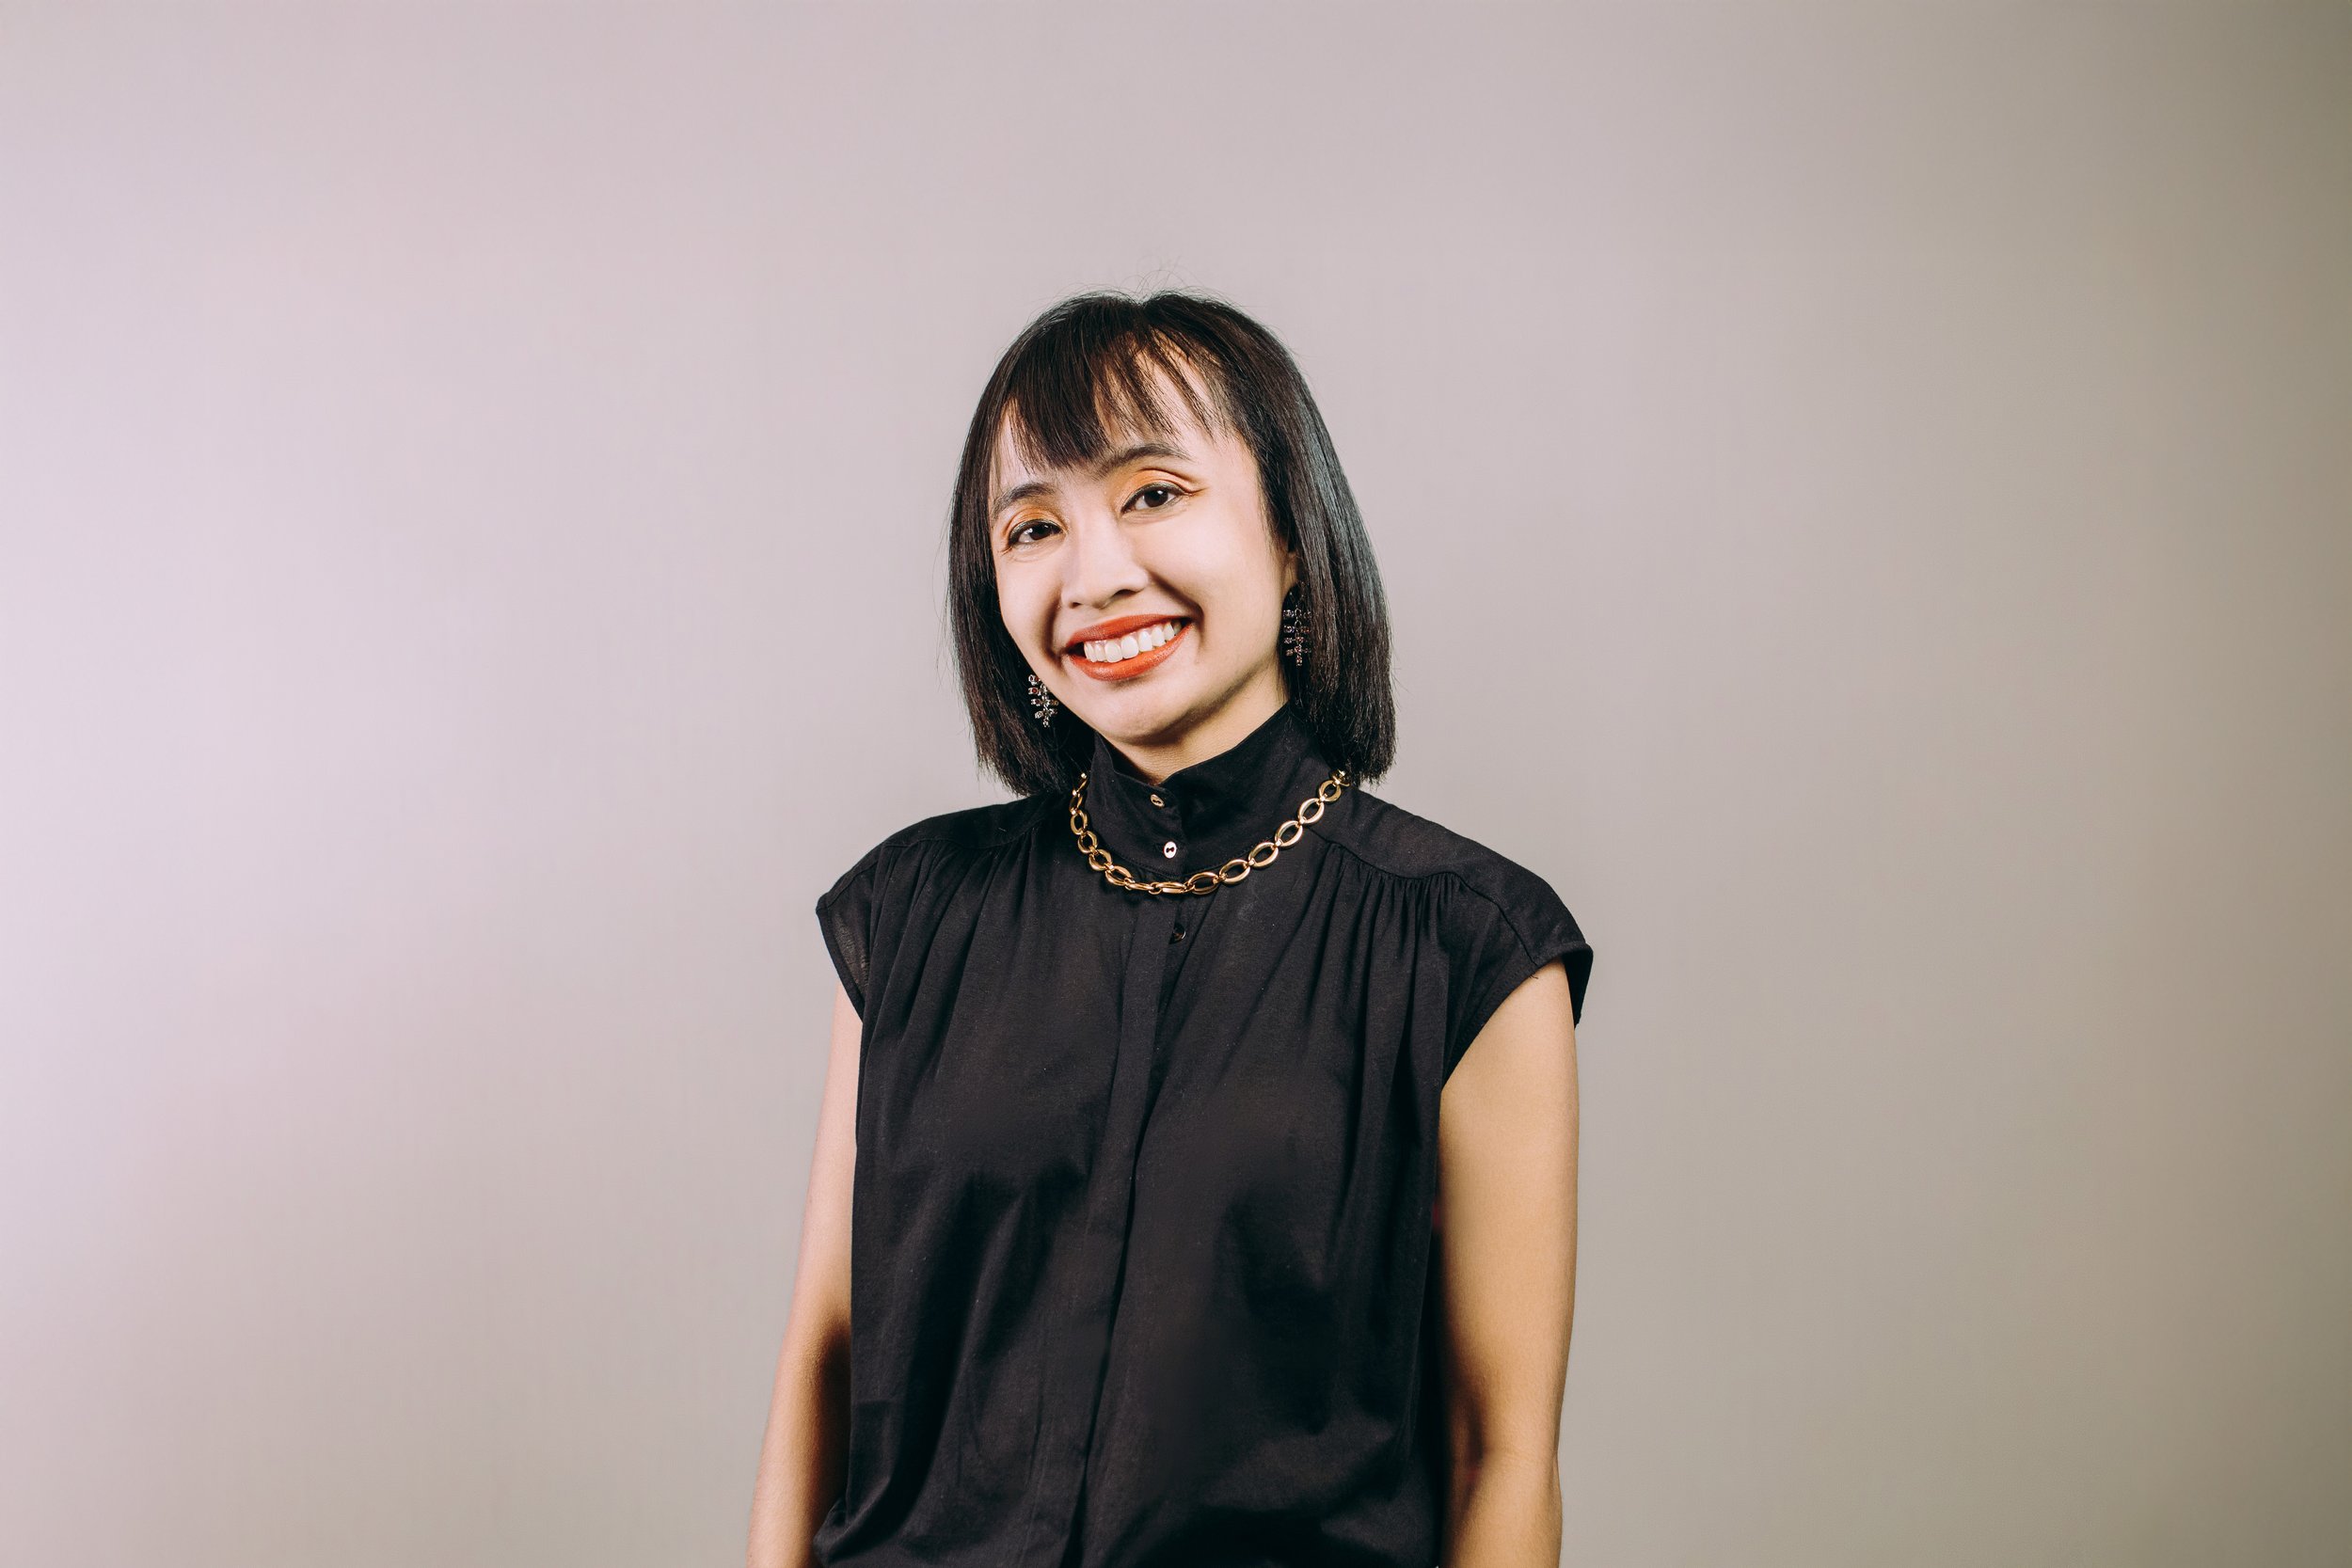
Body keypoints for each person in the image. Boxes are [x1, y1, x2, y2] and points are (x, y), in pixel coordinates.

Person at [747, 289, 1594, 1568]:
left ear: (1296, 533)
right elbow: (826, 1348)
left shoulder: (1466, 949)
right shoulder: (908, 918)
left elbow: (1505, 1452)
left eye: (1153, 494)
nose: (1095, 576)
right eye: (1033, 526)